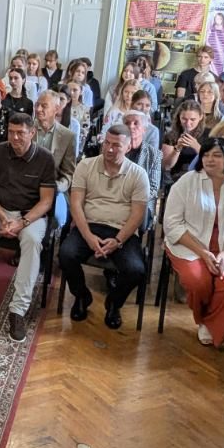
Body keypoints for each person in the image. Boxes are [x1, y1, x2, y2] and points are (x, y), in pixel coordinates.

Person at [163, 137, 224, 348]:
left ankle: (212, 325)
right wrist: (203, 252)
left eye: (217, 155)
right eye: (206, 155)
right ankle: (204, 319)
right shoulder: (186, 182)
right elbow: (172, 225)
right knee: (198, 281)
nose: (209, 159)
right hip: (191, 245)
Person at [0, 113, 57, 341]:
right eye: (11, 132)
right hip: (0, 209)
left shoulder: (45, 158)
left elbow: (46, 201)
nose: (14, 137)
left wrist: (22, 222)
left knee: (32, 241)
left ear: (32, 133)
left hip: (30, 214)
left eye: (20, 133)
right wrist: (3, 217)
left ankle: (18, 310)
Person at [60, 124, 150, 328]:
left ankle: (114, 303)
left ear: (129, 147)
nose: (109, 149)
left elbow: (137, 214)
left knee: (136, 269)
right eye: (106, 143)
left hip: (122, 231)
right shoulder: (85, 166)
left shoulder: (138, 174)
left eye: (116, 145)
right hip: (89, 225)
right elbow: (76, 204)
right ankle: (81, 296)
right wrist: (88, 236)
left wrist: (118, 241)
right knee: (66, 254)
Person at [33, 90, 80, 227]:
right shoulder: (26, 129)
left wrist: (57, 187)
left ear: (56, 109)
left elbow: (68, 174)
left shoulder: (67, 136)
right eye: (37, 105)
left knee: (59, 217)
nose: (38, 109)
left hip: (52, 186)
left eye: (44, 106)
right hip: (27, 184)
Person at [162, 100, 205, 180]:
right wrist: (177, 149)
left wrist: (197, 147)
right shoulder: (171, 136)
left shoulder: (208, 135)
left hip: (201, 177)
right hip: (176, 178)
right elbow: (166, 166)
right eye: (184, 119)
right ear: (179, 117)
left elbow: (212, 161)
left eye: (192, 119)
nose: (188, 123)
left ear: (200, 117)